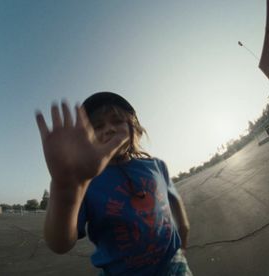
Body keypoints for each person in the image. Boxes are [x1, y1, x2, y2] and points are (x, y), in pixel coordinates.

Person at [36, 92, 192, 275]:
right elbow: (59, 244)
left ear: (137, 130)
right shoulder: (85, 182)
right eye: (97, 126)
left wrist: (183, 229)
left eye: (117, 121)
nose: (108, 129)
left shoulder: (157, 166)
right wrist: (65, 190)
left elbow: (173, 199)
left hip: (172, 264)